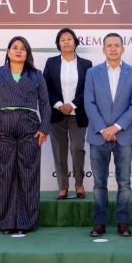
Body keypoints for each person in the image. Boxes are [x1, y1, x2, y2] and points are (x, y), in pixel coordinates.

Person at [0, 36, 51, 234]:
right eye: (15, 47)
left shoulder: (36, 75)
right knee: (5, 175)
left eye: (23, 48)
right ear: (8, 51)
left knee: (28, 174)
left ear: (28, 53)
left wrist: (44, 128)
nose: (19, 51)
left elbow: (45, 103)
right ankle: (6, 222)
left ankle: (26, 222)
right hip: (3, 125)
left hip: (29, 125)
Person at [84, 33, 132, 237]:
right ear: (103, 49)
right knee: (99, 183)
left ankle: (122, 222)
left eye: (117, 45)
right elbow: (88, 103)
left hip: (123, 136)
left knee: (124, 183)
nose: (113, 48)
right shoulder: (92, 72)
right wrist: (103, 128)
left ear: (123, 49)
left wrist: (116, 127)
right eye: (109, 45)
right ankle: (100, 222)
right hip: (98, 136)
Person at [43, 28, 93, 200]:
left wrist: (71, 104)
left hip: (78, 113)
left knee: (77, 149)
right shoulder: (51, 63)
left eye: (69, 39)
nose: (66, 42)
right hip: (57, 114)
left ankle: (79, 184)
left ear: (75, 42)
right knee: (59, 151)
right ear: (58, 44)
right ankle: (63, 187)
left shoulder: (86, 64)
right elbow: (45, 87)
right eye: (62, 39)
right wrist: (58, 105)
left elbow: (88, 89)